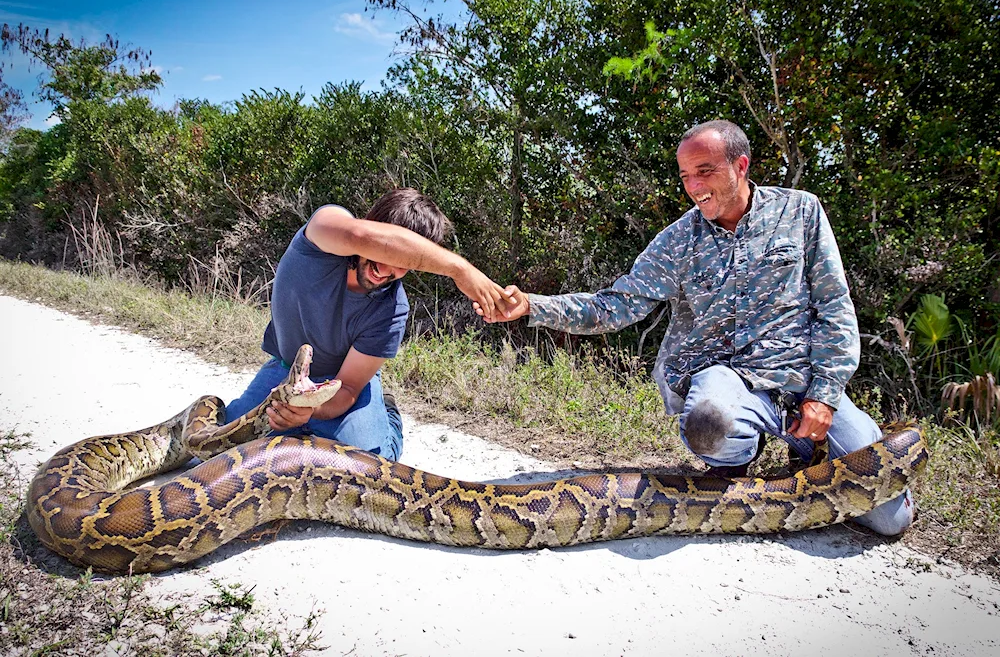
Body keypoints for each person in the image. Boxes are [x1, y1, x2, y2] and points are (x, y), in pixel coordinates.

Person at [475, 120, 913, 536]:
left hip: (800, 380)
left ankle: (809, 453)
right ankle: (737, 462)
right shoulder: (678, 240)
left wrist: (824, 394)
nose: (694, 187)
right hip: (728, 379)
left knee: (891, 518)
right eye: (686, 176)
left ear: (741, 166)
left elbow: (834, 306)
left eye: (705, 171)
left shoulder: (800, 211)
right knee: (708, 421)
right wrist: (532, 306)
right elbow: (617, 305)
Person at [225, 187, 515, 462]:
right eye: (388, 252)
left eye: (406, 263)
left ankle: (388, 418)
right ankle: (300, 432)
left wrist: (309, 409)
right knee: (221, 452)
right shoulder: (321, 234)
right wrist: (459, 269)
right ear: (374, 227)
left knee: (372, 465)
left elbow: (349, 387)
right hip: (285, 370)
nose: (387, 269)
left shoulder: (393, 309)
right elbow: (359, 234)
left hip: (339, 384)